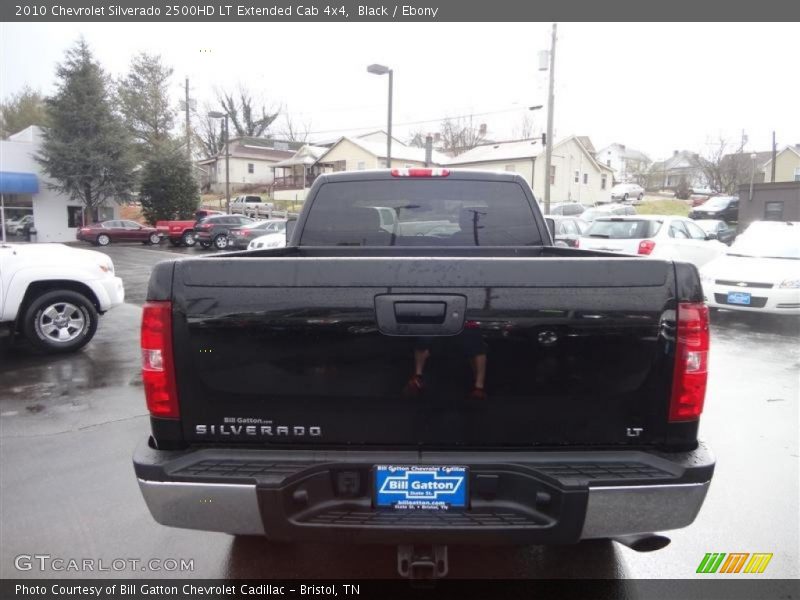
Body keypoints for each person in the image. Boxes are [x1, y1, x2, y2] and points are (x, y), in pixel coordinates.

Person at [403, 323, 487, 401]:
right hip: (437, 319)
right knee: (424, 337)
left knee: (474, 339)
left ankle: (479, 387)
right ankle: (418, 377)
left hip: (465, 321)